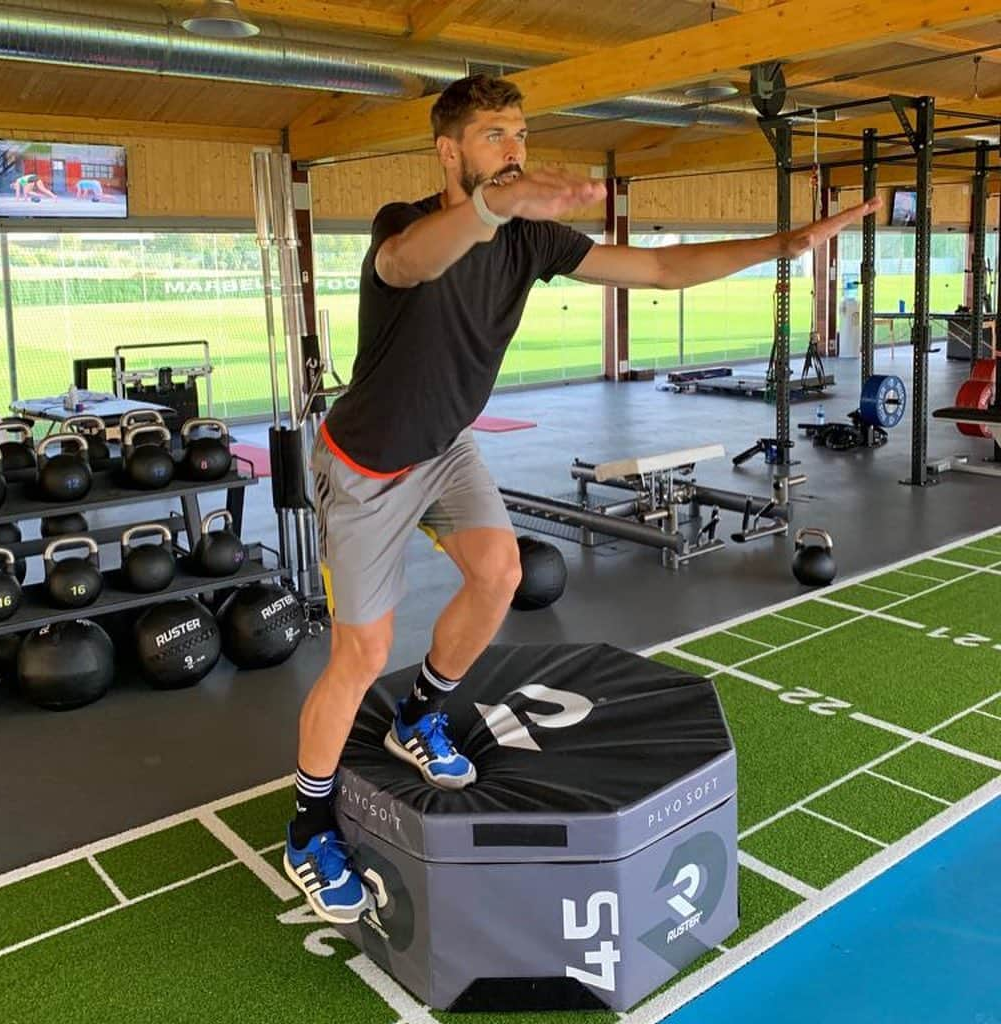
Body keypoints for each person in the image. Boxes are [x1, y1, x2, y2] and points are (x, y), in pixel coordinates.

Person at [282, 74, 881, 923]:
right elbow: (411, 262)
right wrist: (496, 206)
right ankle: (307, 826)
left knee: (497, 574)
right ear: (449, 150)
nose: (514, 149)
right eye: (495, 135)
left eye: (521, 134)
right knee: (361, 654)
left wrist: (787, 242)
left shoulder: (531, 240)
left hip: (445, 447)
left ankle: (419, 718)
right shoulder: (404, 225)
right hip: (367, 465)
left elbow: (665, 268)